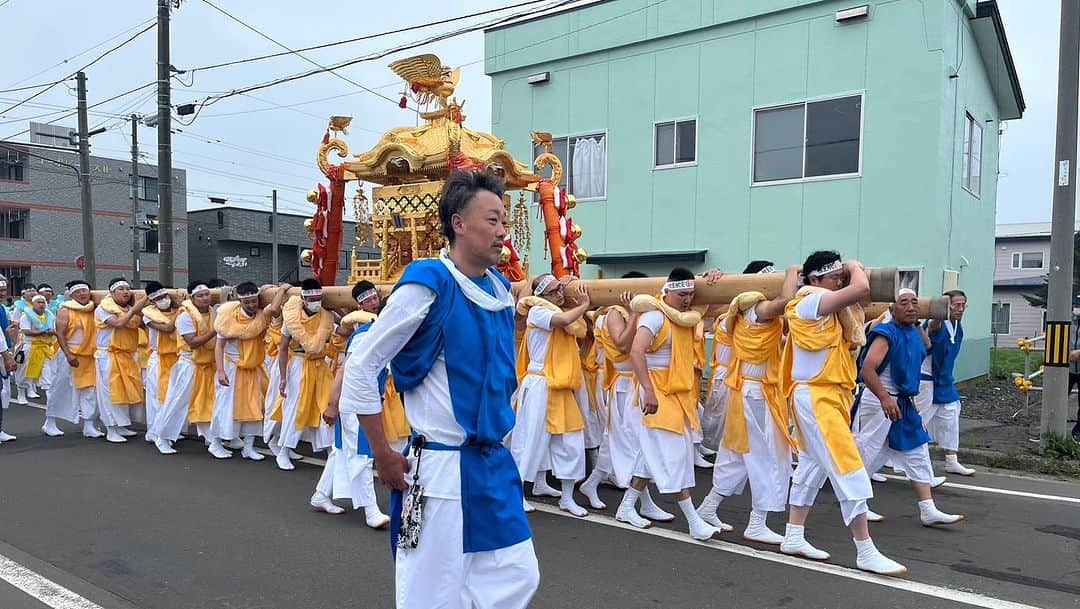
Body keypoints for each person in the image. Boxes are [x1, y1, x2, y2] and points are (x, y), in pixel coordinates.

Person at [338, 170, 538, 609]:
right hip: (440, 468)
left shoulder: (499, 289)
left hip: (492, 465)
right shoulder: (429, 282)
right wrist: (383, 453)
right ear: (459, 224)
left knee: (516, 574)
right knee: (431, 592)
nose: (503, 231)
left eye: (505, 220)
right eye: (492, 220)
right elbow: (362, 364)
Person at [781, 251, 906, 576]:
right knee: (847, 465)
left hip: (828, 396)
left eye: (841, 275)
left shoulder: (832, 310)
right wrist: (854, 266)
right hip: (817, 397)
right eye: (834, 275)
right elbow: (861, 289)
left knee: (812, 465)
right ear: (813, 279)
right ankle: (865, 549)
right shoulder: (808, 300)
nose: (840, 279)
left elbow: (858, 304)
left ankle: (793, 535)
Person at [615, 267, 721, 541]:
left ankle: (627, 507)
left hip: (678, 394)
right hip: (656, 394)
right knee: (673, 455)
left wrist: (711, 277)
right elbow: (636, 351)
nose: (687, 299)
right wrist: (648, 390)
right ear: (668, 291)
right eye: (682, 294)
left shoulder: (687, 318)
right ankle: (693, 521)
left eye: (691, 294)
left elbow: (722, 306)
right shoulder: (653, 316)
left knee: (653, 455)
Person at [697, 263, 800, 544]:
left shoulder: (747, 314)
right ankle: (757, 522)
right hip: (755, 395)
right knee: (767, 456)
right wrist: (793, 272)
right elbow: (786, 301)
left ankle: (708, 507)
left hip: (750, 393)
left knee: (737, 455)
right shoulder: (753, 311)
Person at [855, 289, 963, 527]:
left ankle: (928, 508)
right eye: (904, 303)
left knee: (918, 451)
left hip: (903, 402)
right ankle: (857, 505)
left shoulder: (913, 331)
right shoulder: (885, 333)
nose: (911, 307)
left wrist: (920, 323)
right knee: (867, 452)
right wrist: (884, 398)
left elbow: (925, 345)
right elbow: (868, 369)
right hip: (879, 401)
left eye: (915, 303)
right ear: (892, 310)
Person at [314, 280, 394, 528]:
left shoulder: (380, 331)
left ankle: (320, 494)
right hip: (357, 401)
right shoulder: (366, 334)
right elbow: (342, 371)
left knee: (341, 451)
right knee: (362, 453)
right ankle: (371, 510)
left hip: (367, 399)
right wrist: (332, 404)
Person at [511, 274, 592, 516]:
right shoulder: (538, 312)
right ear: (543, 295)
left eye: (561, 290)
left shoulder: (562, 314)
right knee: (530, 439)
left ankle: (567, 497)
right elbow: (563, 318)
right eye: (555, 291)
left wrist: (578, 301)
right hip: (540, 384)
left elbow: (583, 332)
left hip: (561, 386)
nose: (560, 294)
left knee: (571, 440)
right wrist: (584, 304)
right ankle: (517, 494)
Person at [209, 282, 288, 460]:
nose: (252, 305)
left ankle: (248, 447)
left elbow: (274, 309)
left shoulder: (260, 315)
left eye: (254, 301)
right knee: (225, 407)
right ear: (240, 300)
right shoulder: (228, 317)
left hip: (253, 367)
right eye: (248, 302)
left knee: (253, 406)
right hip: (232, 367)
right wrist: (220, 371)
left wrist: (280, 289)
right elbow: (219, 346)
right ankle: (215, 443)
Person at [273, 277, 334, 471]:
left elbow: (341, 329)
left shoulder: (326, 316)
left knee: (326, 407)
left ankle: (330, 451)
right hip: (299, 365)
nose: (316, 301)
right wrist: (283, 378)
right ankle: (283, 450)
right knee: (295, 408)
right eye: (312, 298)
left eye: (319, 297)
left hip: (321, 367)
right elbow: (283, 348)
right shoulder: (292, 318)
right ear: (304, 298)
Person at [152, 282, 217, 455]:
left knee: (207, 401)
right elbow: (193, 342)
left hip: (207, 365)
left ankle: (211, 437)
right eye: (200, 295)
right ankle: (162, 437)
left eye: (207, 294)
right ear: (192, 298)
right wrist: (215, 331)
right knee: (176, 402)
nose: (205, 298)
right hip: (189, 364)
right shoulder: (185, 315)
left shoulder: (213, 312)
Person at [923, 290, 974, 476]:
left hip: (945, 381)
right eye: (956, 305)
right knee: (917, 423)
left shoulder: (957, 326)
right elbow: (932, 326)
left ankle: (951, 460)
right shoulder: (936, 323)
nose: (960, 309)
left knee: (951, 417)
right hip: (926, 380)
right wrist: (939, 309)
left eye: (963, 305)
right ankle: (892, 455)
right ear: (947, 306)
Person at [94, 278, 148, 443]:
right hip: (108, 356)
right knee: (110, 393)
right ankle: (111, 429)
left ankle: (121, 425)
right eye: (121, 289)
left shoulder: (129, 309)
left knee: (124, 391)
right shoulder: (103, 308)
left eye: (127, 289)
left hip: (127, 355)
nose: (126, 292)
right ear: (111, 292)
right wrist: (134, 311)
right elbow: (118, 323)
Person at [47, 281, 100, 438]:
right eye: (79, 292)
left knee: (90, 390)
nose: (83, 294)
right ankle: (49, 423)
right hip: (69, 353)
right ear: (71, 294)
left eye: (85, 290)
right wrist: (69, 354)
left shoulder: (93, 309)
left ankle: (89, 425)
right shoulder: (65, 310)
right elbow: (60, 333)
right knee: (61, 389)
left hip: (89, 355)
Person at [141, 282, 180, 444]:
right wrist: (182, 309)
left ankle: (168, 428)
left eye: (165, 296)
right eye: (159, 298)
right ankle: (155, 431)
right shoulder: (148, 315)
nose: (164, 300)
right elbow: (168, 329)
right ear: (152, 301)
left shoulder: (176, 310)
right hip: (158, 358)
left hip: (177, 358)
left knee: (173, 396)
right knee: (158, 398)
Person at [15, 295, 56, 411]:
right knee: (23, 372)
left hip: (45, 348)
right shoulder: (26, 315)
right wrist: (42, 332)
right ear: (33, 304)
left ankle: (50, 401)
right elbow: (27, 331)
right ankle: (21, 393)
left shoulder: (50, 316)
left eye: (43, 302)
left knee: (47, 374)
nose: (41, 304)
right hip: (29, 347)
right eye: (38, 302)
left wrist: (51, 332)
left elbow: (53, 330)